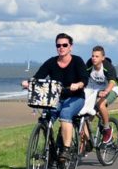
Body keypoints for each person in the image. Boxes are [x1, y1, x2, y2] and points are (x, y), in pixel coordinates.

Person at [21, 33, 88, 162]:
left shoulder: (77, 61)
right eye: (58, 45)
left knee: (65, 113)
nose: (61, 47)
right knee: (45, 119)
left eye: (64, 45)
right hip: (56, 99)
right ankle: (51, 149)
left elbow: (84, 79)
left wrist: (78, 84)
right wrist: (28, 83)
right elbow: (38, 77)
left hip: (76, 97)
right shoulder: (51, 62)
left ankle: (66, 150)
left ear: (70, 47)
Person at [83, 46, 118, 143]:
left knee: (100, 105)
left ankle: (107, 128)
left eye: (97, 56)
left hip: (111, 89)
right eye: (93, 56)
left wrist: (106, 92)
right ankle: (86, 143)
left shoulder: (108, 66)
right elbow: (83, 78)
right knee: (87, 114)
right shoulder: (89, 64)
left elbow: (112, 82)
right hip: (95, 89)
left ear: (102, 58)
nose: (94, 58)